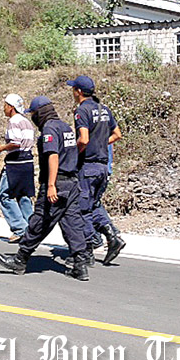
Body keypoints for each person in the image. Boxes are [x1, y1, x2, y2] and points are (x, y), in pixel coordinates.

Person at [0, 96, 89, 281]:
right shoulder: (65, 127)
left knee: (40, 220)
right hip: (71, 183)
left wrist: (52, 184)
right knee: (73, 224)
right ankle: (80, 265)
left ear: (40, 113)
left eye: (34, 114)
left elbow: (53, 156)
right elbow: (73, 151)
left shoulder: (49, 129)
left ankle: (21, 259)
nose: (33, 118)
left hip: (57, 183)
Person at [67, 75, 125, 266]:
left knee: (81, 208)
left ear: (79, 92)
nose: (73, 93)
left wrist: (74, 154)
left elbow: (83, 139)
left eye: (73, 89)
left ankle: (90, 245)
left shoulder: (82, 111)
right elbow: (117, 135)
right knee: (93, 205)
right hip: (102, 167)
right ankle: (112, 235)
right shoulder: (104, 110)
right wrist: (100, 143)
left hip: (88, 167)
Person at [0, 94, 35, 243]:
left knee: (4, 195)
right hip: (27, 161)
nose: (3, 108)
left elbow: (15, 143)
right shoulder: (26, 122)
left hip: (15, 163)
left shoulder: (14, 121)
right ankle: (32, 229)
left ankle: (19, 229)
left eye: (5, 105)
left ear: (11, 107)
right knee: (23, 196)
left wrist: (0, 148)